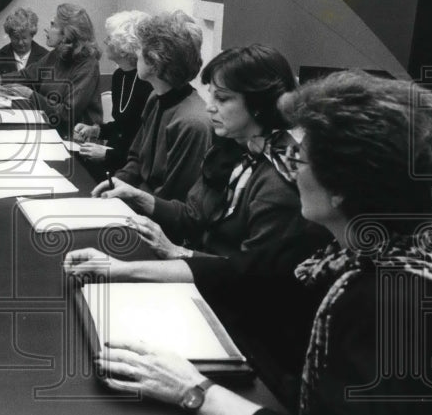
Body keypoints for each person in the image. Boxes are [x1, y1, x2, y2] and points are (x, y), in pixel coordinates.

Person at [64, 72, 432, 415]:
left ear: (342, 190)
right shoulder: (356, 250)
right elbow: (247, 276)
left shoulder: (394, 304)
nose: (291, 170)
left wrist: (193, 389)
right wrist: (120, 269)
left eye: (300, 159)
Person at [96, 44, 303, 258]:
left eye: (222, 98)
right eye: (211, 96)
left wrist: (178, 253)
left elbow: (250, 275)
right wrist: (136, 196)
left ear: (259, 103)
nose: (209, 107)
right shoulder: (230, 146)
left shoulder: (280, 177)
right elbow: (192, 216)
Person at [90, 11, 211, 204]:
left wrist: (128, 198)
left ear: (155, 62)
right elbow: (137, 158)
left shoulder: (193, 123)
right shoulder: (156, 97)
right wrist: (118, 181)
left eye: (141, 47)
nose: (136, 52)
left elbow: (174, 200)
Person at [0, 3, 104, 135]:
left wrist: (30, 95)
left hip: (75, 139)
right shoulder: (58, 54)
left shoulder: (88, 65)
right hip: (50, 129)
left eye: (53, 25)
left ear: (67, 33)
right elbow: (28, 75)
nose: (46, 29)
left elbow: (66, 114)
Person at [72, 10, 154, 177]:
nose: (104, 41)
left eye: (109, 38)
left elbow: (144, 144)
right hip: (112, 158)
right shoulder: (119, 76)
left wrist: (106, 154)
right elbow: (121, 126)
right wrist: (95, 130)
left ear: (123, 49)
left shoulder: (148, 85)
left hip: (130, 168)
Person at [0, 7, 48, 76]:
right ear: (10, 36)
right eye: (16, 38)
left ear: (32, 35)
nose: (20, 43)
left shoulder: (45, 57)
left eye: (24, 38)